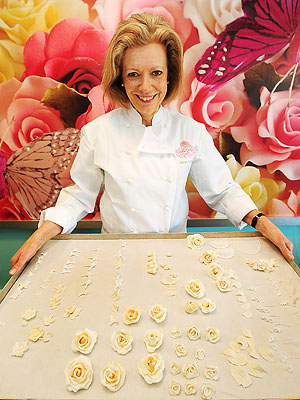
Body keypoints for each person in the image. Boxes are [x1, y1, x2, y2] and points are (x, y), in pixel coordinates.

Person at [9, 13, 294, 275]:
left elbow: (221, 190)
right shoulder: (97, 133)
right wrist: (41, 235)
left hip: (175, 261)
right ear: (120, 78)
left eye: (156, 73)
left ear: (169, 75)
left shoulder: (190, 132)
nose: (146, 87)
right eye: (134, 74)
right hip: (116, 260)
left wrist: (263, 223)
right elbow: (79, 196)